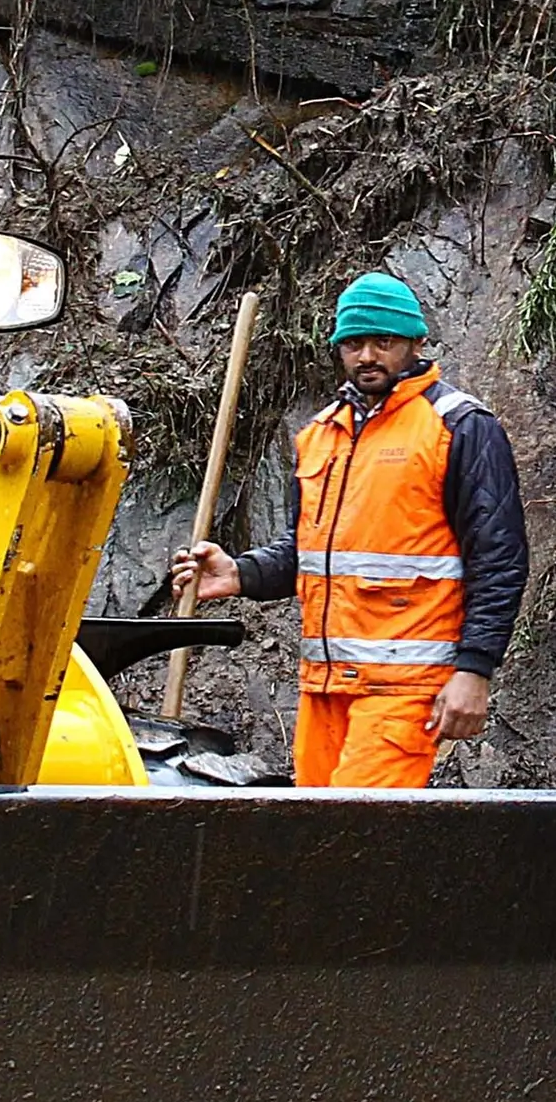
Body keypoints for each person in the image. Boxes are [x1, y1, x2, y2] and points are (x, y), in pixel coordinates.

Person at [168, 273, 528, 787]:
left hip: (404, 688)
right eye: (354, 343)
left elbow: (500, 562)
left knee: (354, 840)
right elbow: (307, 552)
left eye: (384, 342)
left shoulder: (460, 427)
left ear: (415, 344)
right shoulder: (320, 436)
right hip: (323, 688)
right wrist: (239, 573)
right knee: (322, 842)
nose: (367, 356)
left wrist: (474, 670)